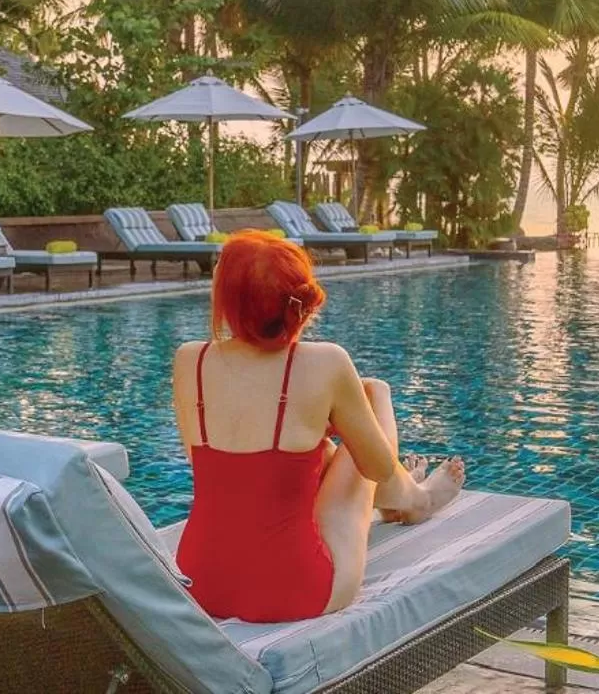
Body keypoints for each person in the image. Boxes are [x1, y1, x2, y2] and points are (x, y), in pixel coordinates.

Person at [171, 231, 464, 623]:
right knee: (374, 398)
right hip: (295, 591)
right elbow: (378, 470)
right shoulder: (326, 362)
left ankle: (396, 501)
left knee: (313, 453)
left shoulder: (190, 360)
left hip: (202, 582)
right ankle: (418, 502)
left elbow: (212, 466)